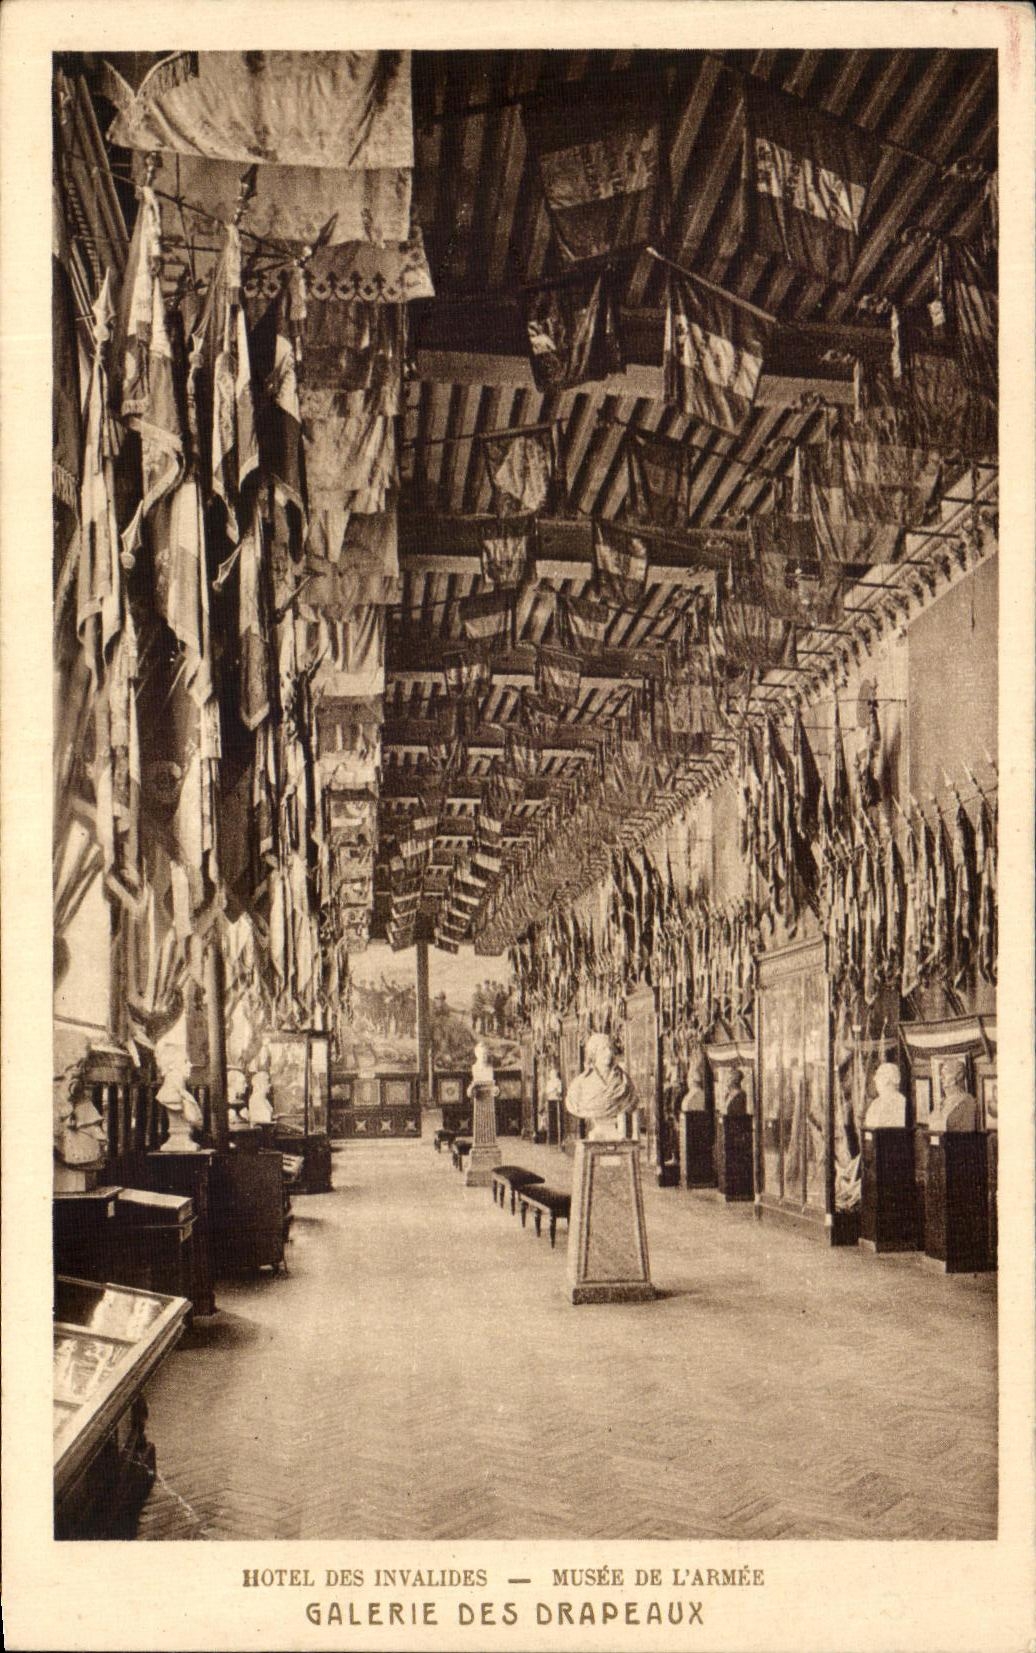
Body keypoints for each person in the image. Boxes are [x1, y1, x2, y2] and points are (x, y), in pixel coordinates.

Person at [565, 1031, 638, 1142]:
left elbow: (632, 1100)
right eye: (603, 1049)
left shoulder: (625, 1081)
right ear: (594, 1053)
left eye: (610, 1049)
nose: (608, 1053)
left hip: (613, 1130)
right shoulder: (580, 1085)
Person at [935, 1059, 980, 1132]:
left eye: (945, 1073)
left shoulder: (967, 1101)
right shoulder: (943, 1101)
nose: (941, 1078)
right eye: (941, 1074)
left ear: (959, 1075)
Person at [866, 1062, 908, 1129]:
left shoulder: (901, 1102)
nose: (874, 1079)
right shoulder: (876, 1103)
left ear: (886, 1079)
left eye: (878, 1076)